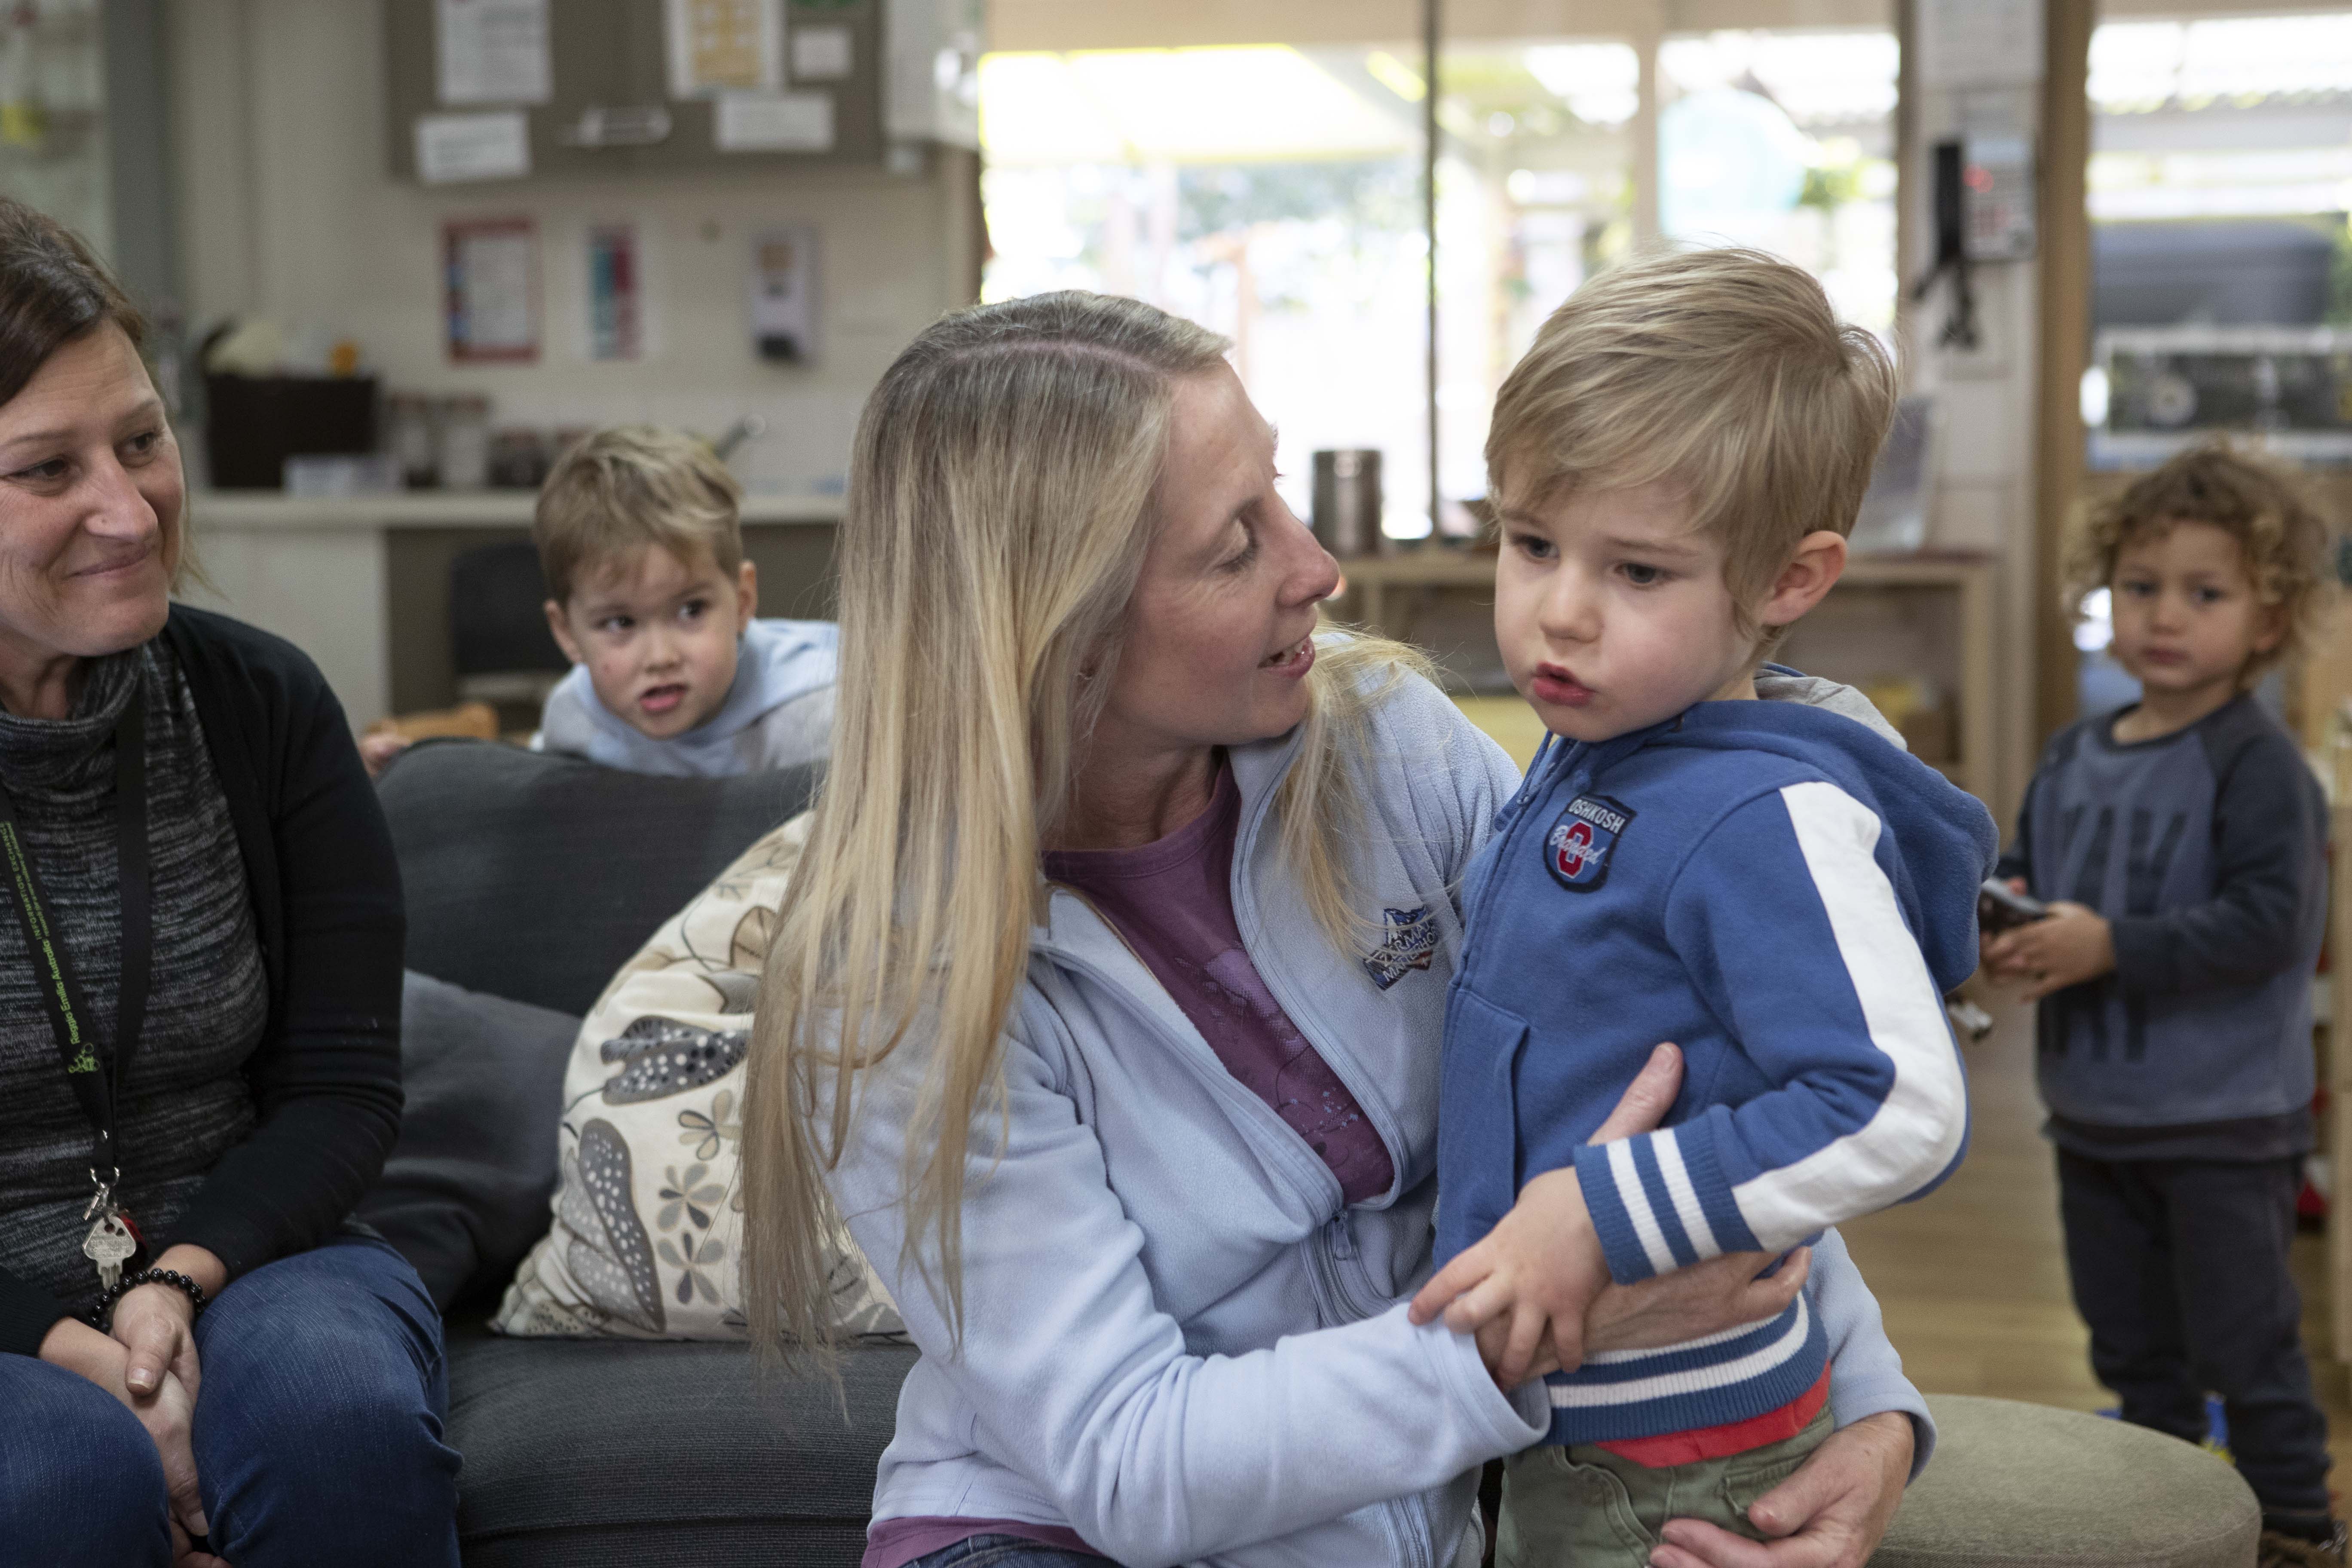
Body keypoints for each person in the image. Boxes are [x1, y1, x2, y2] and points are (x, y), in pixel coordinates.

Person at [743, 290, 1929, 1568]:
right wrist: (1560, 1312)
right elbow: (1129, 1462)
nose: (1319, 569)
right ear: (1057, 619)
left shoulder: (1391, 748)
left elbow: (1686, 1074)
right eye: (1234, 545)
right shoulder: (893, 981)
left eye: (1283, 494)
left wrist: (1867, 1410)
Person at [1404, 248, 1994, 1568]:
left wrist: (1594, 1211)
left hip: (1669, 1461)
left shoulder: (1755, 820)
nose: (1559, 612)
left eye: (1639, 573)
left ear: (1788, 582)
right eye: (1533, 543)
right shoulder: (1609, 746)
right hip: (1556, 1421)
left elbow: (1896, 1101)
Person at [0, 198, 459, 1566]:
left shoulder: (261, 701)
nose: (129, 510)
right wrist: (65, 1342)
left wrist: (172, 1286)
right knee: (61, 1482)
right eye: (48, 469)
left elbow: (342, 1087)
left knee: (338, 1421)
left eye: (142, 440)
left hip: (253, 1248)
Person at [1980, 442, 2340, 1568]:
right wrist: (2013, 935)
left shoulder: (2259, 766)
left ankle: (2296, 1529)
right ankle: (2166, 1516)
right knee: (2132, 1351)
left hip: (2224, 1126)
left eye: (2205, 592)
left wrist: (2108, 947)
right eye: (2141, 587)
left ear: (2270, 619)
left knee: (2250, 1347)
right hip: (2091, 1119)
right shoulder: (2071, 753)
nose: (2164, 616)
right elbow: (2035, 884)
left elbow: (2272, 929)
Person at [535, 425, 836, 775]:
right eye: (619, 623)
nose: (661, 658)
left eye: (691, 611)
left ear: (742, 601)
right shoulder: (574, 720)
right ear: (567, 633)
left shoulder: (814, 717)